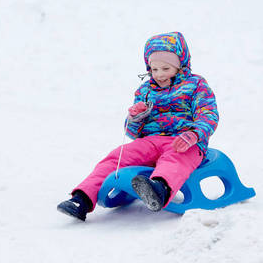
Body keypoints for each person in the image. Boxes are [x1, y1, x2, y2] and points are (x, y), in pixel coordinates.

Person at [57, 32, 219, 221]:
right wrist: (136, 117)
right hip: (150, 142)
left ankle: (159, 189)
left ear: (181, 65)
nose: (159, 74)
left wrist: (194, 134)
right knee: (119, 155)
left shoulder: (196, 85)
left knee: (175, 158)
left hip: (184, 142)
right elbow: (132, 132)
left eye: (165, 68)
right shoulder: (146, 90)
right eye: (154, 69)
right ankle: (82, 198)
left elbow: (208, 114)